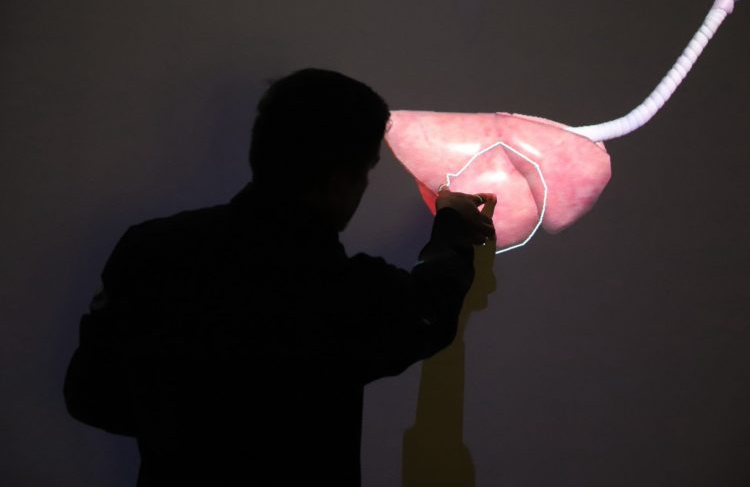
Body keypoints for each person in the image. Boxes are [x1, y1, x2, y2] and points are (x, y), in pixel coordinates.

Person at [64, 68, 495, 486]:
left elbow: (89, 395)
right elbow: (430, 310)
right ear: (339, 182)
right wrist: (452, 227)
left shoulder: (149, 251)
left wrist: (182, 424)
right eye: (365, 171)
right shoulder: (337, 292)